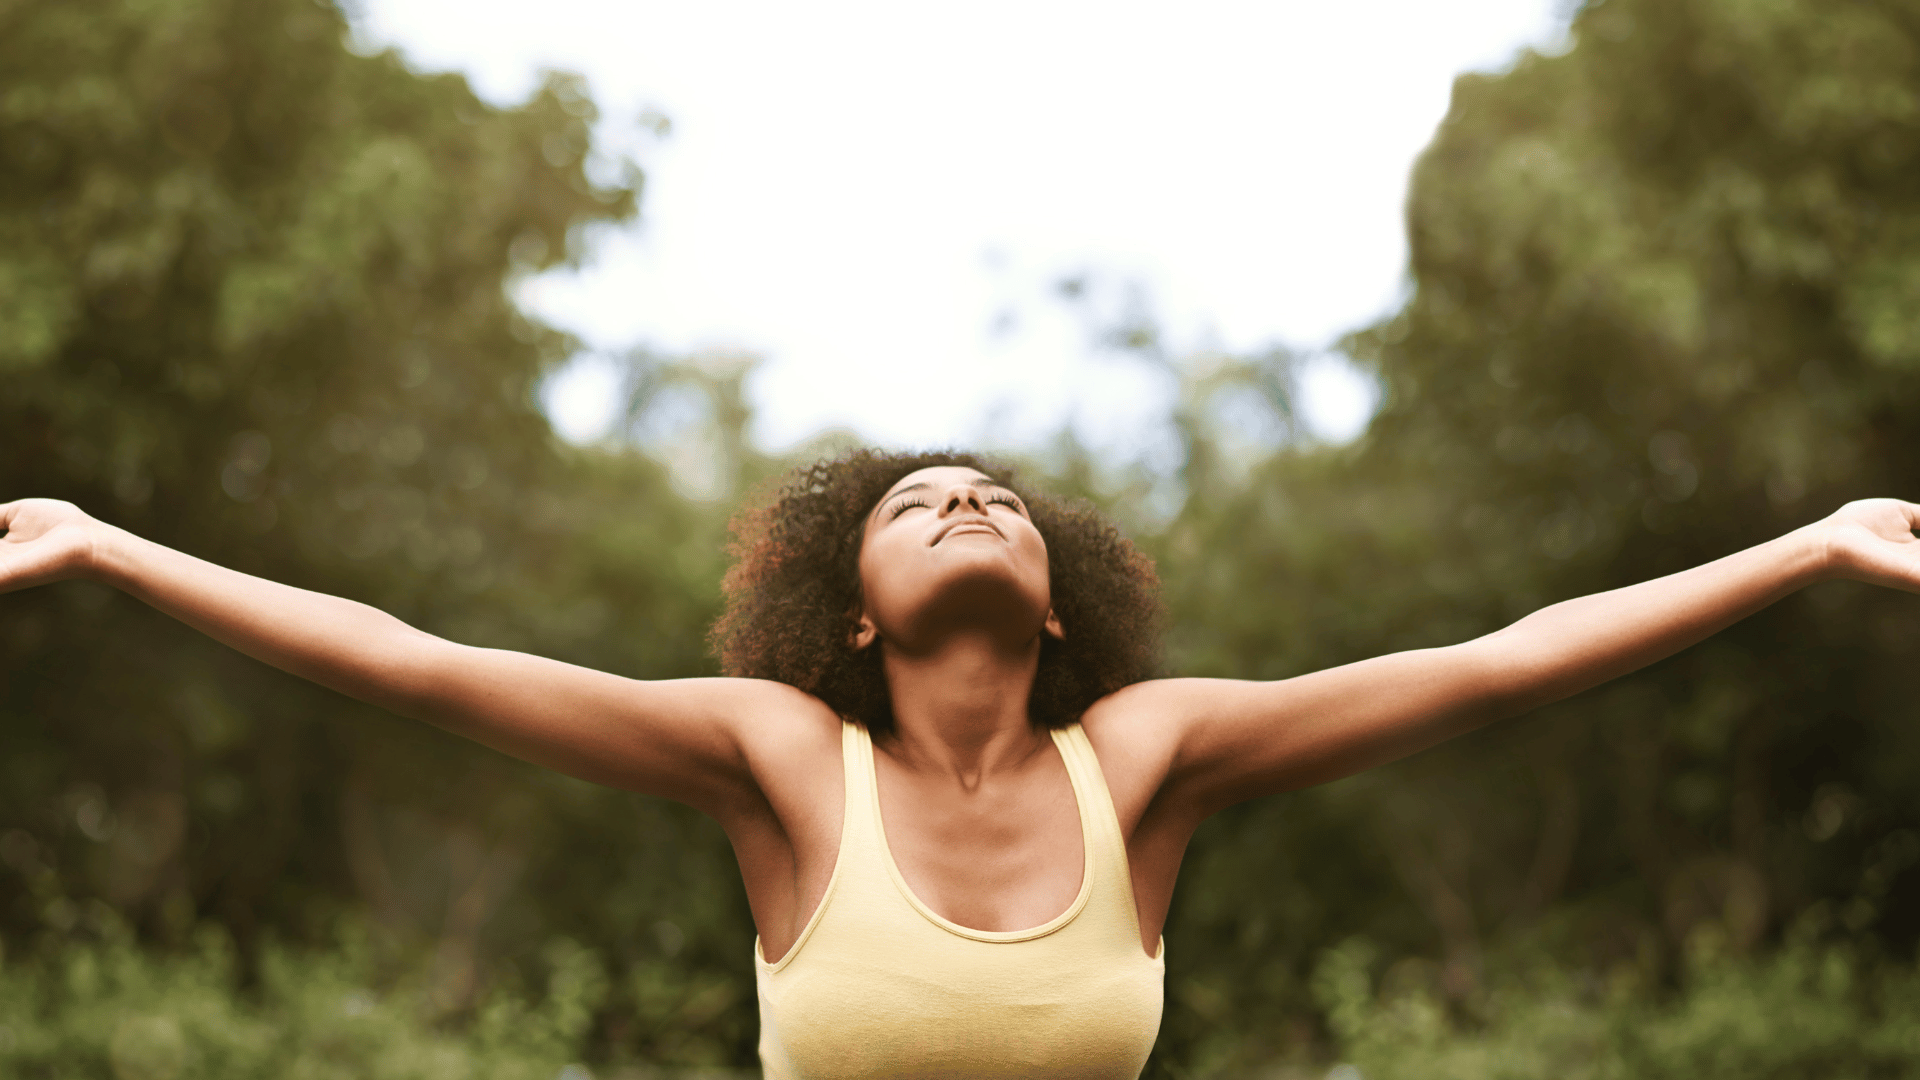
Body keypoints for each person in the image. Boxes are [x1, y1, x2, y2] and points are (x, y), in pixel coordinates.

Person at [1, 448, 1916, 1078]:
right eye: (915, 502)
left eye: (990, 494)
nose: (962, 495)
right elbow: (426, 666)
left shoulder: (1150, 759)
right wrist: (104, 544)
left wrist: (1818, 541)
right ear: (848, 615)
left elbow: (1493, 668)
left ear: (1057, 602)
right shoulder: (777, 759)